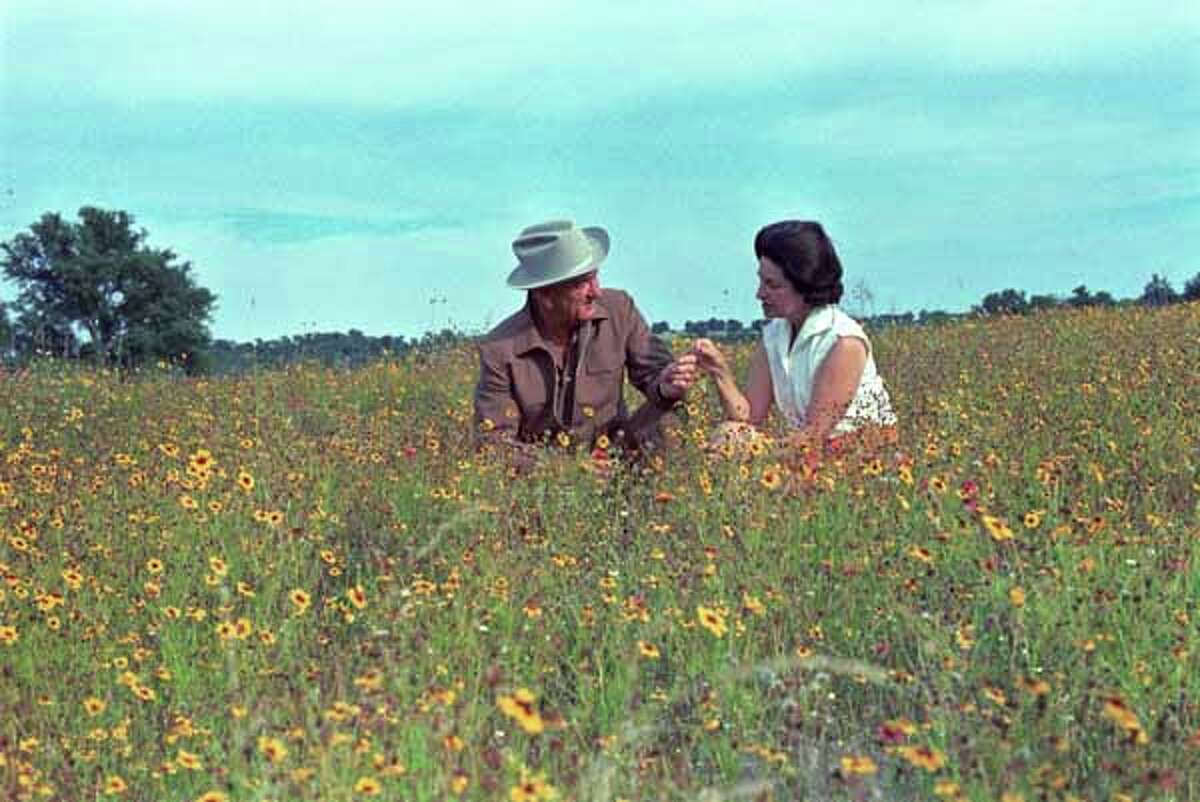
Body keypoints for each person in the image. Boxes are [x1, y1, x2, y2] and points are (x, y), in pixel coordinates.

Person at [473, 219, 698, 464]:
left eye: (595, 277)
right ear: (545, 294)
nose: (596, 292)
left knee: (672, 411)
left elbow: (655, 373)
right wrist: (565, 469)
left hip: (618, 456)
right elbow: (493, 443)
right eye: (581, 283)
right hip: (547, 475)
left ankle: (655, 489)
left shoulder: (619, 311)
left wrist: (665, 385)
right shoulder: (499, 349)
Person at [692, 220, 897, 457]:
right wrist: (719, 371)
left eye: (772, 285)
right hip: (807, 452)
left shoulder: (844, 342)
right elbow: (749, 418)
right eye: (761, 281)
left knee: (729, 442)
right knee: (730, 434)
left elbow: (814, 436)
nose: (760, 294)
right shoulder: (774, 336)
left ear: (804, 285)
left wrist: (751, 452)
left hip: (861, 459)